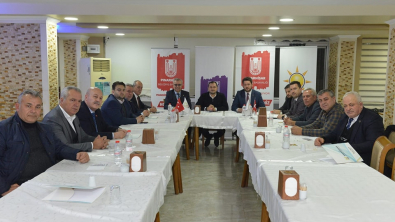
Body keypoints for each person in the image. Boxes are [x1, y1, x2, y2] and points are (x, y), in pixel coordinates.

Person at [0, 90, 90, 197]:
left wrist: (77, 153)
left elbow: (59, 148)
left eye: (37, 107)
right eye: (28, 106)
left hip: (48, 183)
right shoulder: (4, 129)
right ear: (17, 106)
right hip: (20, 187)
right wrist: (3, 188)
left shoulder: (45, 129)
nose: (33, 110)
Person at [314, 92, 384, 165]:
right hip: (341, 155)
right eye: (345, 106)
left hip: (359, 160)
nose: (348, 109)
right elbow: (335, 133)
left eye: (351, 105)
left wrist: (346, 148)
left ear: (360, 105)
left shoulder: (373, 119)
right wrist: (323, 139)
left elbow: (372, 144)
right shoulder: (345, 116)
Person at [43, 87, 108, 152]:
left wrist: (99, 140)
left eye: (79, 101)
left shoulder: (74, 116)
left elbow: (83, 137)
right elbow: (64, 146)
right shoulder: (53, 119)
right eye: (73, 100)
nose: (76, 104)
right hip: (60, 161)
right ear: (62, 100)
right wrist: (93, 145)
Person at [196, 81, 229, 147]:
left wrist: (215, 109)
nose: (212, 89)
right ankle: (208, 137)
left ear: (217, 88)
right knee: (201, 128)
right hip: (206, 119)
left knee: (222, 129)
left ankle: (216, 136)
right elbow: (197, 106)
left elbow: (226, 107)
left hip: (218, 119)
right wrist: (206, 108)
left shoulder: (221, 96)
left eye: (214, 87)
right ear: (208, 88)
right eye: (210, 87)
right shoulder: (203, 96)